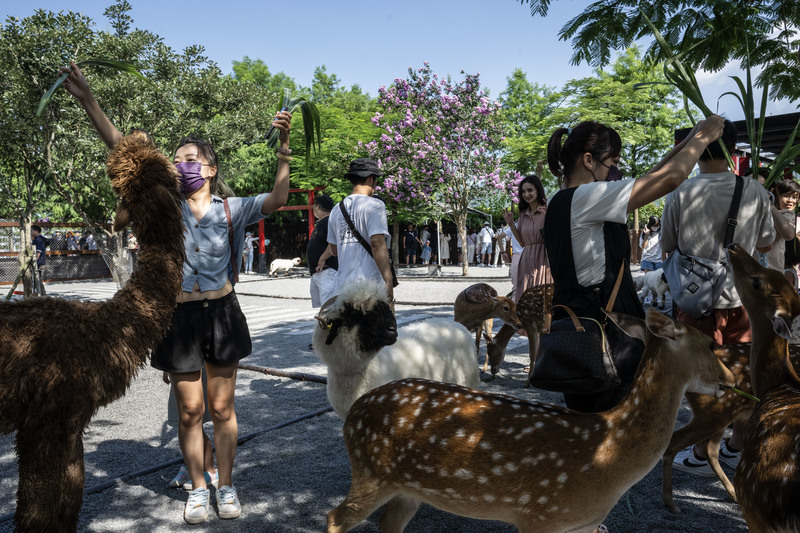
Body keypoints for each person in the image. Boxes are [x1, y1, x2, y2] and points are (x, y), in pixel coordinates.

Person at [60, 60, 293, 524]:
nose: (181, 165)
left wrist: (283, 150)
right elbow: (124, 148)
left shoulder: (233, 208)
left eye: (190, 159)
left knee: (223, 407)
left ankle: (227, 487)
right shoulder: (162, 201)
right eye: (178, 159)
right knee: (190, 412)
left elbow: (279, 200)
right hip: (179, 317)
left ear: (209, 168)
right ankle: (199, 489)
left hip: (222, 312)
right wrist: (88, 100)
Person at [544, 116, 725, 417]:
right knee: (614, 431)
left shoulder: (560, 201)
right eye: (611, 162)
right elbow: (669, 180)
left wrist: (687, 140)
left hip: (577, 335)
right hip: (608, 339)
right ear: (588, 160)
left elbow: (651, 178)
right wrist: (703, 138)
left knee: (588, 427)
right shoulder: (588, 197)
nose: (615, 171)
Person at [661, 119, 775, 478]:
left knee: (703, 378)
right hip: (746, 302)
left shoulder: (681, 192)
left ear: (697, 145)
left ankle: (700, 451)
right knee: (744, 377)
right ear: (732, 147)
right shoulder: (754, 190)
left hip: (696, 303)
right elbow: (767, 242)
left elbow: (666, 246)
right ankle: (736, 447)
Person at [326, 158, 393, 303]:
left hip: (343, 289)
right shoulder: (375, 205)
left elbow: (333, 250)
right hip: (369, 289)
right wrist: (388, 281)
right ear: (371, 179)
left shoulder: (336, 209)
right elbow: (377, 243)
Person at [503, 175, 553, 302]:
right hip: (526, 258)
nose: (526, 194)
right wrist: (510, 224)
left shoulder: (547, 212)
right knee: (525, 296)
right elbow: (522, 242)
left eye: (530, 190)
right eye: (523, 192)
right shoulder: (522, 214)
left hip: (544, 259)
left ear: (538, 190)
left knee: (542, 297)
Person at [765, 179, 799, 286]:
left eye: (794, 197)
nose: (790, 200)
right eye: (786, 195)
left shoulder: (788, 216)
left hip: (780, 270)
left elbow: (788, 234)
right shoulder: (767, 213)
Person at [307, 194, 338, 308]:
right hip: (318, 273)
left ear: (318, 207)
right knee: (318, 309)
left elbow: (334, 243)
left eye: (314, 206)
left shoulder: (329, 221)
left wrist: (322, 259)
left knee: (328, 308)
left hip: (326, 270)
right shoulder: (323, 222)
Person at [30, 224, 47, 296]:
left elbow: (38, 253)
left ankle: (39, 294)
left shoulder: (38, 240)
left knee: (35, 279)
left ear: (36, 231)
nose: (30, 232)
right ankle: (42, 294)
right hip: (41, 262)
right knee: (37, 279)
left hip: (38, 262)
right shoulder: (40, 238)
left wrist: (33, 263)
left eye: (31, 230)